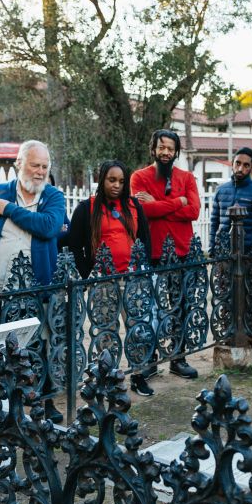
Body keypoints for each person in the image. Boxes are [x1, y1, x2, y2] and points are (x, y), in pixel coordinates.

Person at [70, 161, 154, 395]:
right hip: (104, 281)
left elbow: (144, 239)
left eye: (121, 181)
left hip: (132, 279)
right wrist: (89, 272)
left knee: (137, 328)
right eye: (111, 180)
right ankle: (108, 377)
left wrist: (141, 267)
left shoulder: (133, 205)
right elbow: (75, 245)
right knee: (107, 330)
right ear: (102, 180)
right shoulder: (88, 208)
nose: (117, 185)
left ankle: (138, 375)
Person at [131, 129, 201, 380]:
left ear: (176, 152)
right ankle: (150, 360)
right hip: (153, 254)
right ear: (153, 149)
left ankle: (177, 358)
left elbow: (194, 211)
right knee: (151, 309)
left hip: (182, 252)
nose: (165, 152)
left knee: (179, 306)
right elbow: (143, 211)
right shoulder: (139, 177)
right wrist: (177, 202)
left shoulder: (187, 177)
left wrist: (158, 203)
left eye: (170, 148)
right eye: (161, 147)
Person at [0, 140, 66, 289]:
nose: (41, 171)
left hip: (37, 292)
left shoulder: (54, 196)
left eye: (45, 167)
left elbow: (49, 227)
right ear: (19, 163)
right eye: (35, 165)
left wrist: (9, 209)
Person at [208, 146, 252, 253]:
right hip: (222, 251)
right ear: (232, 164)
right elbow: (214, 222)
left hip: (248, 254)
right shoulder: (220, 190)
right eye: (237, 163)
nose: (240, 168)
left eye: (246, 165)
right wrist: (212, 247)